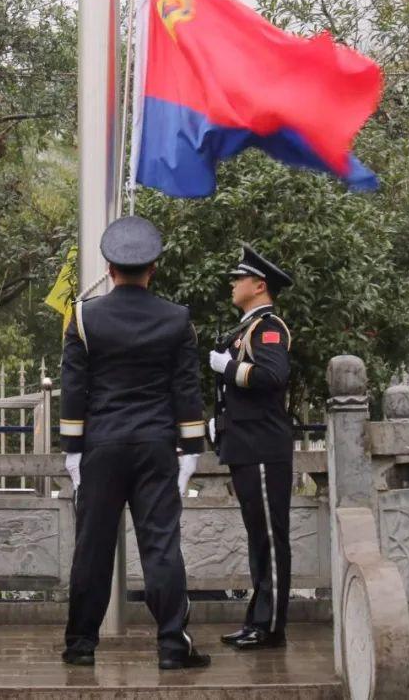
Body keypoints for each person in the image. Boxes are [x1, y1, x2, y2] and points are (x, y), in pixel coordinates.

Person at [60, 215, 211, 671]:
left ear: (108, 267)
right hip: (155, 445)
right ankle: (171, 644)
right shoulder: (177, 318)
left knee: (93, 545)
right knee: (161, 545)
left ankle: (81, 644)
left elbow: (74, 389)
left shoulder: (84, 317)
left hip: (101, 446)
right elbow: (186, 390)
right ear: (153, 269)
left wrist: (72, 450)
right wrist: (190, 449)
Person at [208, 243, 294, 650]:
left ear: (259, 286)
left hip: (262, 447)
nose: (233, 284)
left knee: (269, 540)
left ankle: (271, 626)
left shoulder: (268, 327)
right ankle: (257, 620)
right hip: (246, 445)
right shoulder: (246, 329)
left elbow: (272, 377)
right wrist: (218, 424)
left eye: (239, 278)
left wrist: (229, 368)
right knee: (258, 537)